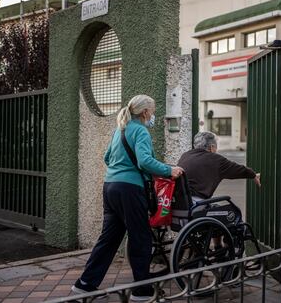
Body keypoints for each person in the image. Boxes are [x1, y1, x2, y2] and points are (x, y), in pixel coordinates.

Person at [72, 95, 184, 301]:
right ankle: (142, 291)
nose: (153, 115)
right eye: (153, 110)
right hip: (130, 190)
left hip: (110, 187)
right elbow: (144, 162)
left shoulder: (120, 129)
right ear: (144, 112)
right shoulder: (141, 130)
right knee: (140, 238)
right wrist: (170, 170)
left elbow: (107, 158)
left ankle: (85, 284)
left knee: (109, 239)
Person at [177, 131, 260, 203]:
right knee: (231, 212)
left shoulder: (185, 155)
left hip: (180, 202)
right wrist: (253, 174)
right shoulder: (215, 159)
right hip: (196, 203)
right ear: (212, 147)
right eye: (216, 146)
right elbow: (237, 169)